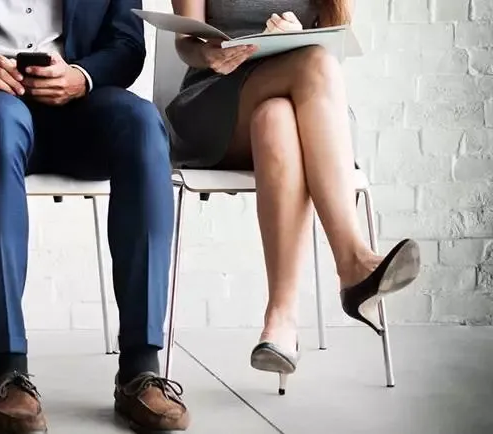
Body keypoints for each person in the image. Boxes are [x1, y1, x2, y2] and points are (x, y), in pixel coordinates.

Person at [0, 0, 188, 432]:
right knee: (0, 121)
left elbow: (127, 41)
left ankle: (140, 368)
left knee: (143, 123)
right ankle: (3, 368)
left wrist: (80, 76)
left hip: (77, 109)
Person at [166, 0, 419, 394]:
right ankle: (352, 262)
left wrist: (296, 41)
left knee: (276, 117)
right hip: (214, 101)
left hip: (301, 100)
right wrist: (208, 52)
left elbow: (336, 44)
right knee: (315, 64)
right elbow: (185, 40)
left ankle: (280, 321)